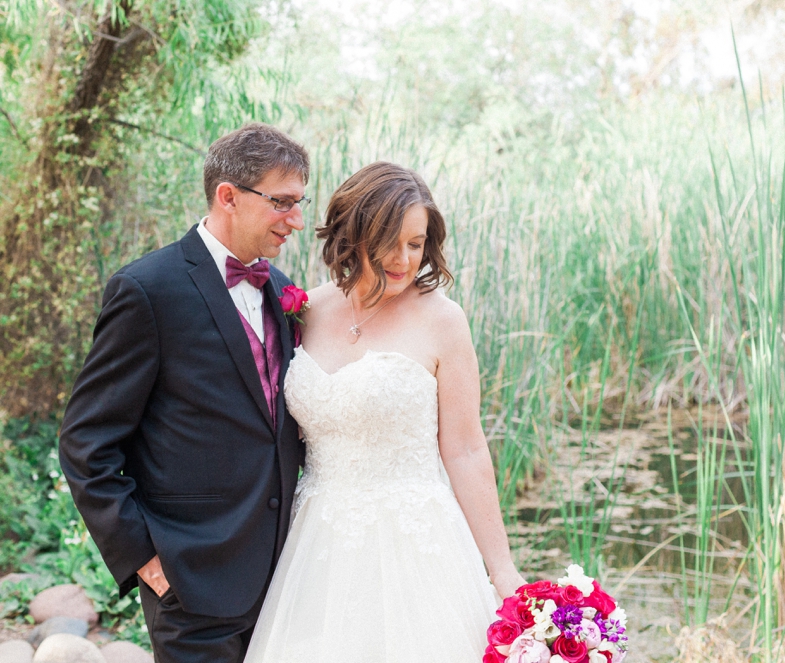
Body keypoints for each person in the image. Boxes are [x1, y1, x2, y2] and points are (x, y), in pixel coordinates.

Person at [243, 161, 526, 662]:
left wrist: (502, 569)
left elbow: (464, 449)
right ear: (355, 234)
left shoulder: (443, 320)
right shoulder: (307, 307)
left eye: (416, 244)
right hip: (317, 548)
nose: (404, 259)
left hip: (413, 545)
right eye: (389, 241)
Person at [59, 123, 311, 663]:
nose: (297, 220)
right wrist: (145, 558)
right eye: (283, 203)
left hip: (284, 580)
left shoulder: (281, 288)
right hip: (191, 582)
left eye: (300, 203)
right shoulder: (147, 290)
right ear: (229, 196)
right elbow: (86, 441)